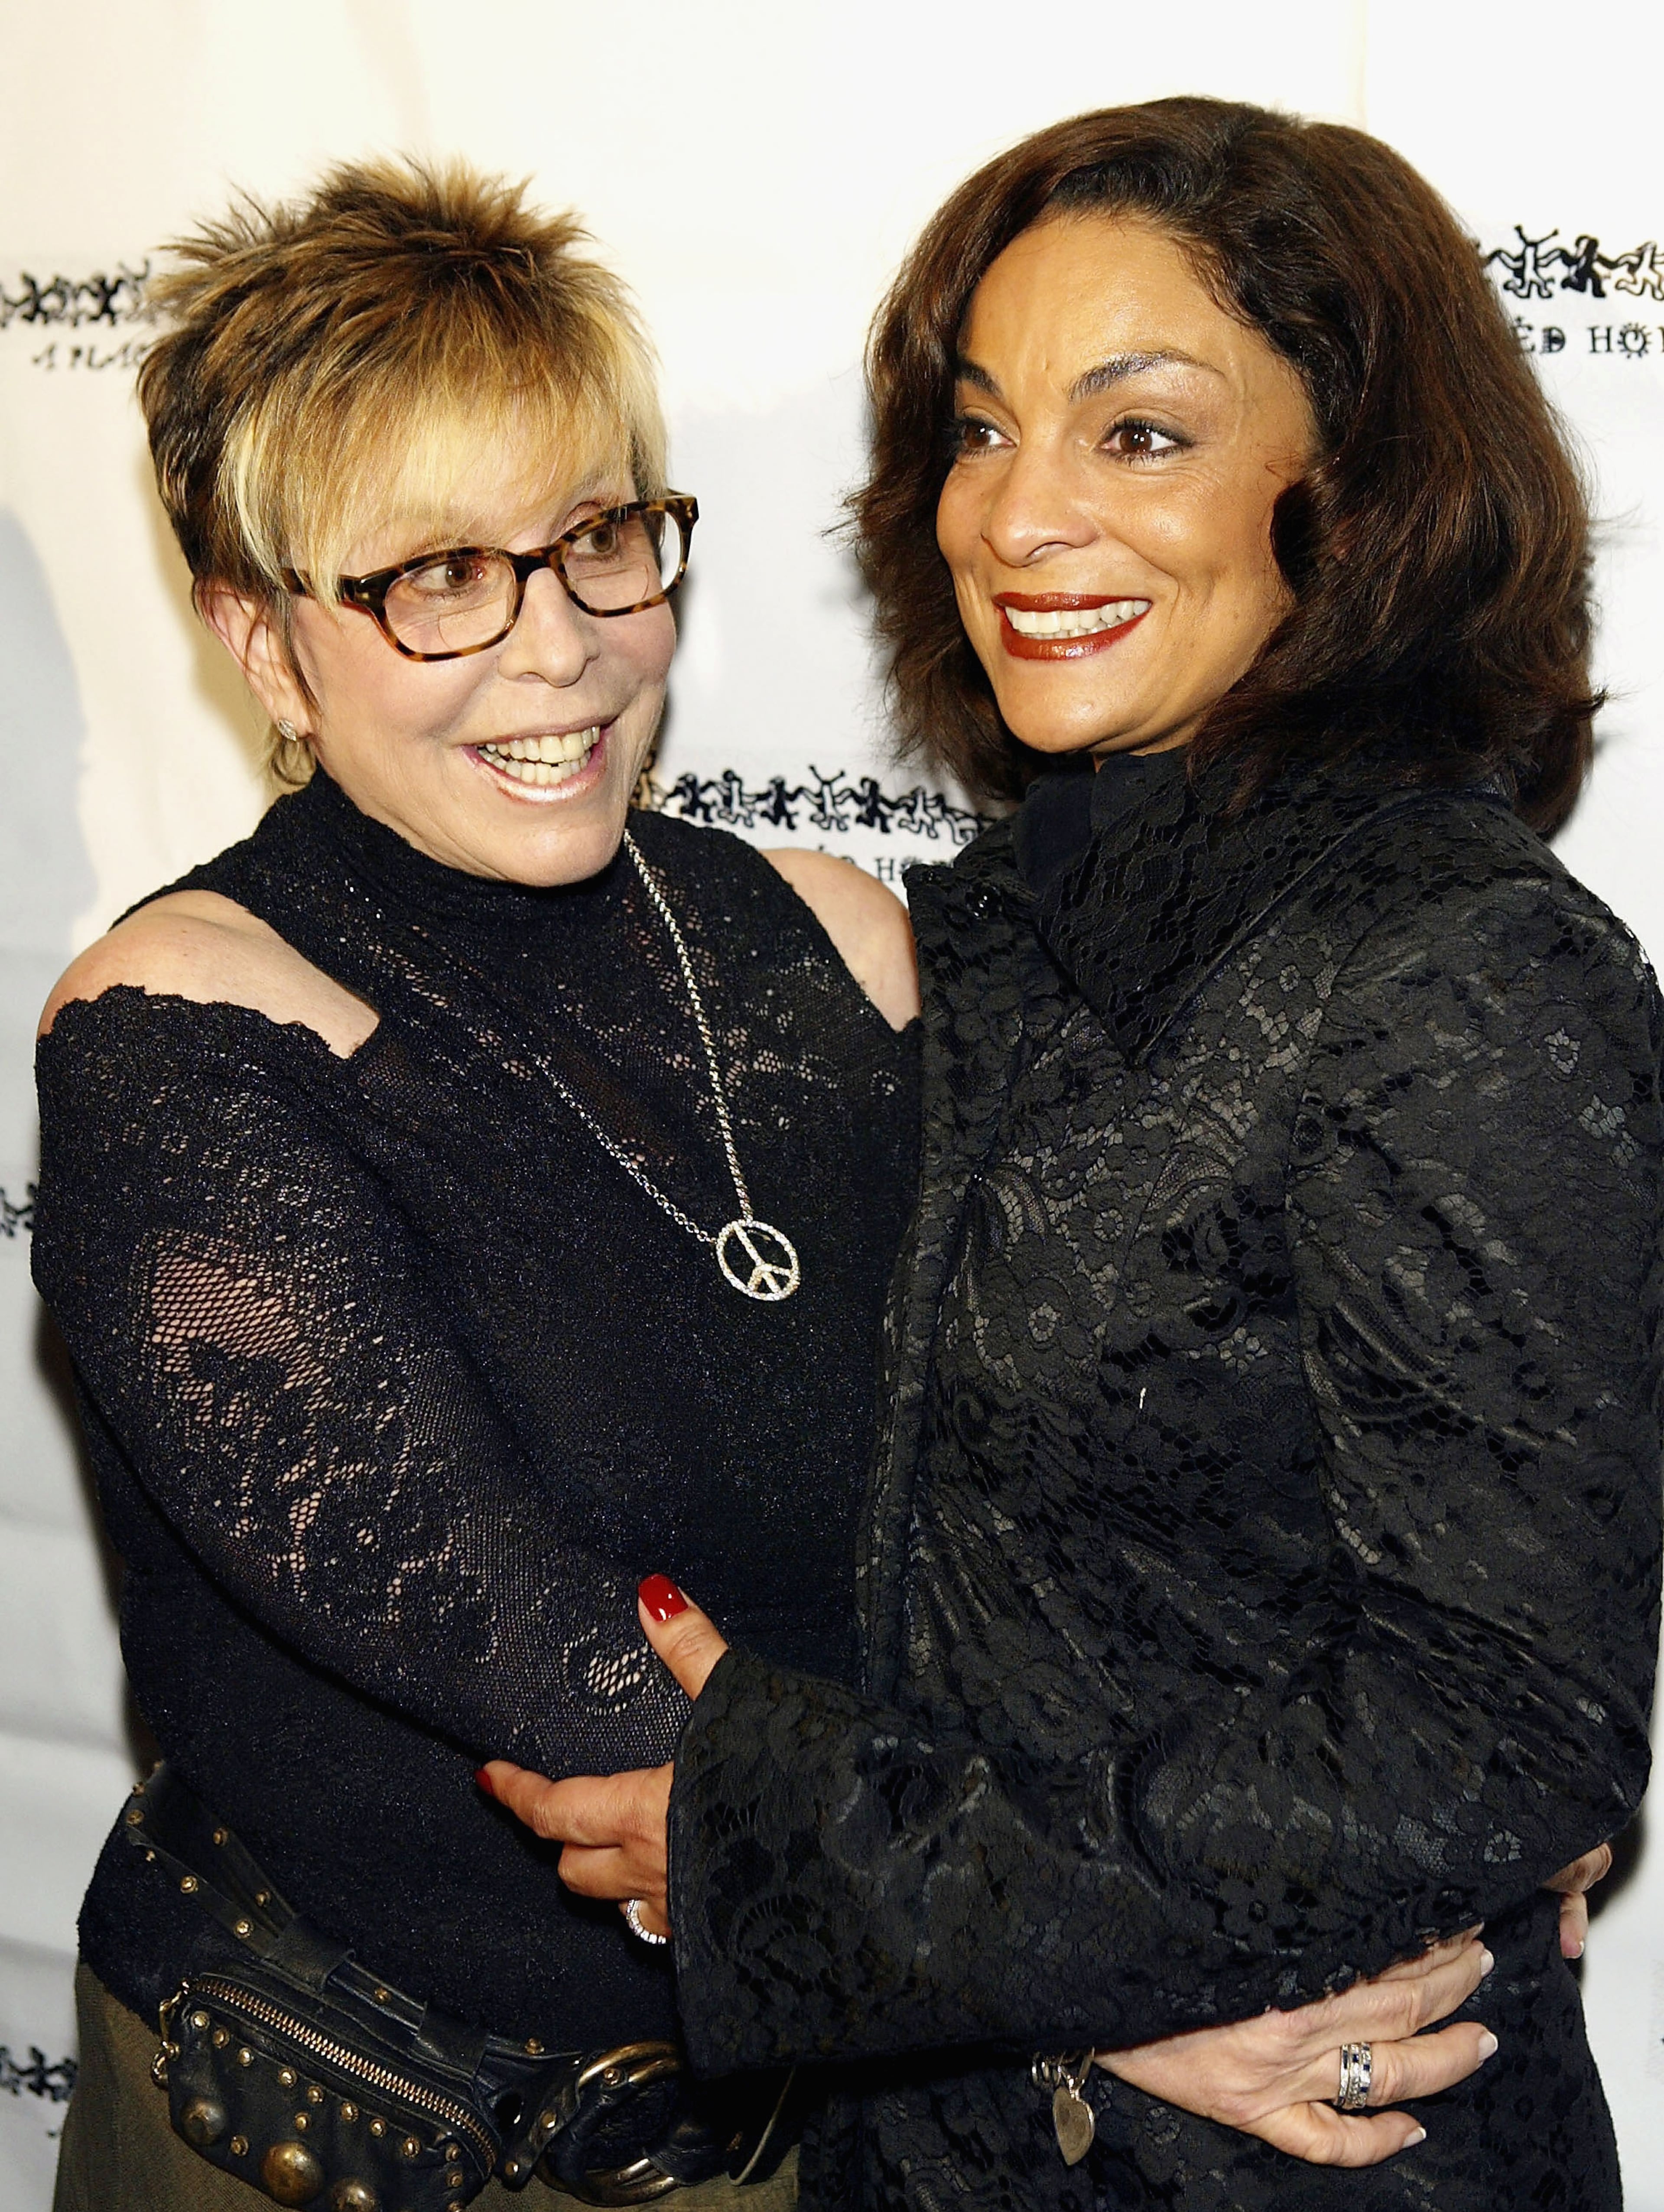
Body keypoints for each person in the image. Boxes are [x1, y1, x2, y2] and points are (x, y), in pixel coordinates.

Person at [33, 153, 1500, 2212]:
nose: (554, 650)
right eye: (434, 575)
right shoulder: (180, 1036)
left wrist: (1430, 1778)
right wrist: (1134, 1990)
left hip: (833, 2130)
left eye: (599, 542)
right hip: (364, 2141)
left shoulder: (843, 938)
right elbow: (569, 1684)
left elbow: (1139, 1463)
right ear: (263, 637)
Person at [483, 98, 1664, 2210]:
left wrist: (795, 1843)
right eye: (982, 427)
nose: (1021, 514)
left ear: (1356, 482)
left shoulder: (1465, 972)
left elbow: (1496, 1736)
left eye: (1140, 435)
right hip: (940, 2136)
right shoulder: (1003, 918)